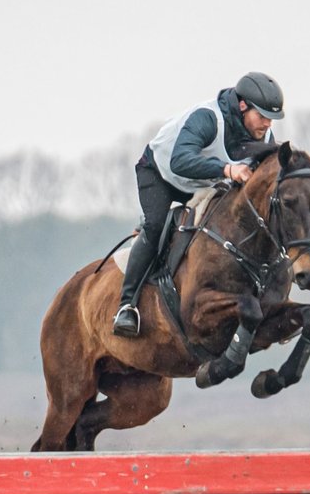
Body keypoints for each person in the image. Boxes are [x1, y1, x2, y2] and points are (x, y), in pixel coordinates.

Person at [112, 71, 285, 337]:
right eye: (262, 117)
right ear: (242, 106)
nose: (266, 125)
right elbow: (179, 161)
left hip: (201, 184)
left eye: (271, 120)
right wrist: (227, 170)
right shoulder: (208, 118)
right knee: (156, 226)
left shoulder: (263, 139)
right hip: (161, 174)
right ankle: (126, 306)